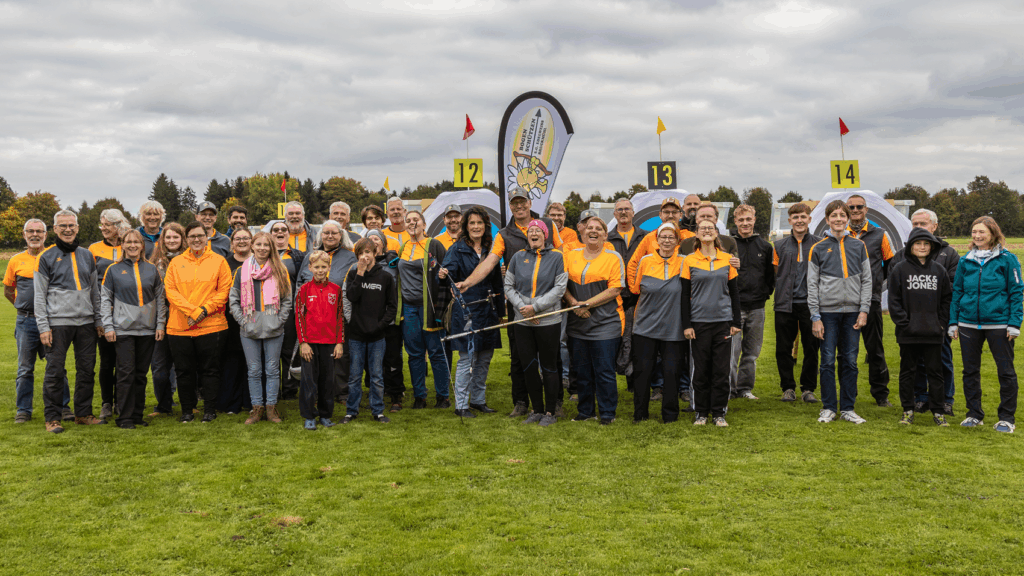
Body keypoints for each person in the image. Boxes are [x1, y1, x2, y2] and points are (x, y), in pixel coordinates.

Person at [456, 187, 562, 417]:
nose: (519, 206)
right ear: (510, 206)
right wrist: (468, 282)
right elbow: (491, 262)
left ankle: (556, 404)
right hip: (519, 308)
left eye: (522, 201)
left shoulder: (548, 225)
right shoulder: (503, 234)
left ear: (530, 202)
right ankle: (522, 401)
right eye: (514, 203)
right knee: (520, 357)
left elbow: (563, 259)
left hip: (548, 309)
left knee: (551, 359)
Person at [949, 216, 1022, 433]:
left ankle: (1006, 418)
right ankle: (973, 414)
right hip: (968, 324)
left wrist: (1014, 322)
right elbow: (958, 292)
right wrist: (954, 321)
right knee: (970, 371)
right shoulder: (965, 260)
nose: (977, 236)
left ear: (993, 234)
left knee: (1005, 371)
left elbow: (1016, 292)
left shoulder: (1008, 259)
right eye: (974, 232)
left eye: (982, 232)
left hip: (999, 324)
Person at [35, 210, 105, 433]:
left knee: (86, 370)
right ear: (54, 229)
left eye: (71, 225)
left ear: (77, 228)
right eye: (62, 226)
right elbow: (39, 296)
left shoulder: (87, 255)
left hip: (85, 323)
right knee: (55, 371)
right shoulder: (45, 257)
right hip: (57, 323)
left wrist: (99, 320)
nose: (67, 229)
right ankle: (53, 418)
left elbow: (95, 292)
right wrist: (43, 327)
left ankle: (83, 414)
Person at [808, 200, 872, 425]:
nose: (838, 219)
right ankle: (828, 407)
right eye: (834, 215)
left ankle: (847, 408)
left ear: (847, 219)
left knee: (850, 361)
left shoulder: (858, 245)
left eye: (842, 215)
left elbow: (867, 280)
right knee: (826, 361)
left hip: (853, 313)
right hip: (827, 314)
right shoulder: (817, 248)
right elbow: (812, 285)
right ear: (827, 220)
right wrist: (815, 316)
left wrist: (864, 310)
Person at [891, 209, 959, 416]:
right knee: (914, 366)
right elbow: (895, 296)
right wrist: (904, 323)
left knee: (941, 363)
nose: (918, 228)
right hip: (910, 327)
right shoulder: (900, 260)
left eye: (923, 223)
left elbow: (951, 290)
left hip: (935, 326)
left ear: (934, 227)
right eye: (915, 224)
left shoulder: (948, 254)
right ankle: (919, 398)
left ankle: (945, 400)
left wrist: (941, 322)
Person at [5, 219, 72, 424]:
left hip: (53, 321)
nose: (35, 235)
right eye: (30, 231)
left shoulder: (54, 255)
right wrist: (24, 306)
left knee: (57, 365)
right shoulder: (16, 260)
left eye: (39, 231)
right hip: (26, 322)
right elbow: (8, 290)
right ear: (24, 234)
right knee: (25, 368)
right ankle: (24, 410)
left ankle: (64, 407)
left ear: (46, 234)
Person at [164, 221, 232, 423]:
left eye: (200, 236)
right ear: (186, 239)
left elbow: (224, 291)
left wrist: (204, 311)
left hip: (212, 326)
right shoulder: (175, 263)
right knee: (184, 371)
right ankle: (187, 410)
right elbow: (171, 291)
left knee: (210, 370)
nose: (196, 239)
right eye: (192, 236)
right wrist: (193, 311)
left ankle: (209, 410)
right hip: (180, 327)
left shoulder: (219, 261)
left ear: (207, 237)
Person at [439, 206, 504, 418]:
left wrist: (501, 312)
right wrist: (443, 275)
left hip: (489, 310)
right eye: (472, 223)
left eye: (480, 223)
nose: (476, 227)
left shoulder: (492, 249)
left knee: (485, 358)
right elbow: (447, 278)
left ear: (486, 225)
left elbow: (497, 284)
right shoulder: (456, 249)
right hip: (466, 310)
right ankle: (461, 405)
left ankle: (478, 400)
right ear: (466, 226)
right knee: (467, 359)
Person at [100, 230, 167, 429]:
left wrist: (160, 324)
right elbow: (105, 299)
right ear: (123, 245)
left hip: (147, 330)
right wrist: (108, 326)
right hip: (123, 330)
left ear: (142, 245)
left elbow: (160, 299)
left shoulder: (151, 269)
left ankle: (137, 414)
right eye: (128, 242)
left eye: (136, 242)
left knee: (140, 374)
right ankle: (124, 417)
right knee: (125, 373)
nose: (132, 245)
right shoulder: (113, 269)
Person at [504, 219, 567, 426]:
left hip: (548, 320)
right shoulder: (517, 257)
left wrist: (535, 307)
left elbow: (559, 288)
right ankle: (536, 410)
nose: (534, 233)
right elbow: (508, 286)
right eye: (530, 231)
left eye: (537, 231)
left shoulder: (557, 257)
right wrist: (523, 308)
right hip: (523, 321)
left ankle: (550, 412)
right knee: (529, 367)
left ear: (545, 235)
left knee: (549, 367)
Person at [563, 216, 624, 425]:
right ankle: (585, 411)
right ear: (582, 231)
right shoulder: (570, 255)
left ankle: (607, 413)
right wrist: (574, 304)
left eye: (599, 229)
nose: (593, 231)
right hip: (577, 323)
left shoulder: (613, 257)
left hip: (606, 323)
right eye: (590, 227)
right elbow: (562, 285)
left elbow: (615, 288)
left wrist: (587, 304)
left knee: (604, 371)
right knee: (582, 370)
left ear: (605, 235)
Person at [681, 220, 741, 427]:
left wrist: (735, 321)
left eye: (711, 228)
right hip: (698, 323)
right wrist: (687, 324)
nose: (707, 230)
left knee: (721, 369)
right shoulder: (689, 260)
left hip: (723, 322)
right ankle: (701, 413)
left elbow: (734, 293)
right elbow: (684, 295)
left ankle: (719, 413)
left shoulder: (728, 260)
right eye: (702, 228)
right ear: (696, 234)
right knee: (700, 369)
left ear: (717, 234)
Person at [230, 231, 293, 425]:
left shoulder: (280, 270)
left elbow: (287, 299)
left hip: (273, 327)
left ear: (271, 247)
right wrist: (243, 320)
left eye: (266, 245)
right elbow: (233, 299)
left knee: (273, 369)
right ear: (252, 246)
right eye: (259, 245)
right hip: (249, 328)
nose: (262, 248)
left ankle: (271, 408)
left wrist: (279, 320)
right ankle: (256, 408)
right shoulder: (241, 271)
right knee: (254, 370)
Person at [294, 220, 357, 402]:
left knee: (340, 355)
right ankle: (315, 393)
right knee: (313, 357)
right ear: (320, 235)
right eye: (326, 233)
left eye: (334, 233)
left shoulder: (349, 256)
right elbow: (300, 282)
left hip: (338, 312)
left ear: (341, 235)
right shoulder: (311, 256)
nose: (330, 236)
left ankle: (341, 392)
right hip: (312, 315)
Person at [629, 222, 685, 423]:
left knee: (672, 373)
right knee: (643, 372)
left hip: (674, 328)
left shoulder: (685, 262)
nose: (667, 240)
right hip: (645, 326)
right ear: (657, 240)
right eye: (663, 236)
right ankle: (640, 414)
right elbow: (636, 289)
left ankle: (670, 416)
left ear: (678, 241)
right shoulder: (645, 261)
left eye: (671, 237)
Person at [397, 210, 452, 408]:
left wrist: (444, 276)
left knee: (436, 351)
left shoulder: (434, 245)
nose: (412, 223)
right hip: (409, 309)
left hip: (429, 307)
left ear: (423, 224)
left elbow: (447, 269)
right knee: (414, 353)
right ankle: (419, 395)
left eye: (416, 220)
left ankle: (442, 395)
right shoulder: (403, 247)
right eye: (408, 220)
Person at [845, 194, 895, 407]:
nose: (855, 210)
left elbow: (890, 265)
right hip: (844, 300)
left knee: (874, 349)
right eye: (851, 207)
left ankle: (881, 394)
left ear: (866, 210)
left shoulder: (880, 234)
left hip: (871, 300)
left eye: (859, 207)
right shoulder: (838, 234)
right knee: (847, 350)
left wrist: (876, 284)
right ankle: (849, 394)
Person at [341, 238, 397, 424]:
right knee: (355, 376)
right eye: (361, 253)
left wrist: (380, 326)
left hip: (377, 336)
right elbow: (351, 296)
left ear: (374, 254)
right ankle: (351, 411)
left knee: (376, 376)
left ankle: (378, 411)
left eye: (368, 252)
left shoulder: (386, 277)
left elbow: (392, 307)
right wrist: (360, 274)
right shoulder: (354, 274)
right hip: (356, 334)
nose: (365, 256)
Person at [772, 203, 821, 403]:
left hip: (811, 305)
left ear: (809, 219)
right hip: (785, 304)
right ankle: (788, 388)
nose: (799, 220)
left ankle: (808, 388)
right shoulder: (778, 246)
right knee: (783, 348)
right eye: (795, 217)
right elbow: (774, 275)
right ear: (789, 220)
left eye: (803, 216)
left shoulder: (820, 244)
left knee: (812, 347)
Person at [90, 208, 132, 420]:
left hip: (127, 312)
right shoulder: (94, 248)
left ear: (118, 225)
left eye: (107, 224)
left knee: (125, 360)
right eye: (102, 224)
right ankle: (107, 402)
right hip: (104, 312)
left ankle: (122, 401)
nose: (103, 228)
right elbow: (90, 282)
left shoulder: (129, 245)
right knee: (106, 360)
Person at [295, 250, 345, 430]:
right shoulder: (304, 290)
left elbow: (340, 317)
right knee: (309, 380)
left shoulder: (336, 290)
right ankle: (309, 415)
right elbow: (299, 317)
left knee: (327, 381)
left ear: (329, 268)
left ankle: (325, 414)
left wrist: (339, 342)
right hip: (310, 343)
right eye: (316, 267)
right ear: (310, 268)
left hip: (330, 343)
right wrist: (303, 342)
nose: (320, 270)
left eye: (324, 267)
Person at [729, 204, 774, 401]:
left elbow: (770, 277)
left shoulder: (765, 247)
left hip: (756, 307)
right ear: (735, 221)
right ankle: (729, 389)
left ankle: (745, 388)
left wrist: (763, 295)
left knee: (751, 352)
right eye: (741, 220)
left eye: (748, 219)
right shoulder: (728, 246)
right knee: (731, 351)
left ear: (754, 220)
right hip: (733, 308)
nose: (745, 223)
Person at [364, 229, 406, 411]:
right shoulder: (362, 264)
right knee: (371, 360)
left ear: (383, 243)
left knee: (392, 358)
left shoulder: (393, 263)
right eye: (370, 239)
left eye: (377, 239)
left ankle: (396, 394)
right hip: (369, 321)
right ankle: (375, 393)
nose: (373, 242)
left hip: (390, 320)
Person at [147, 223, 185, 416]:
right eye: (168, 237)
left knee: (186, 366)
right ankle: (163, 405)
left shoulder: (189, 260)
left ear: (182, 239)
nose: (171, 241)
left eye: (175, 237)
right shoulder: (153, 264)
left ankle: (189, 403)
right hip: (160, 319)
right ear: (162, 240)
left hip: (184, 318)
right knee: (160, 367)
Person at [218, 227, 255, 415]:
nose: (242, 241)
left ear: (252, 241)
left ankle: (250, 402)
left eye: (246, 238)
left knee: (251, 361)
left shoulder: (258, 263)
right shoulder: (224, 263)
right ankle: (231, 402)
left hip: (254, 318)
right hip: (230, 319)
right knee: (232, 361)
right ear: (231, 243)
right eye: (237, 238)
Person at [271, 220, 305, 399]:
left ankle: (290, 388)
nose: (279, 232)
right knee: (271, 350)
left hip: (291, 308)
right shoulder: (263, 255)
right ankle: (273, 389)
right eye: (275, 230)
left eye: (283, 229)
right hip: (268, 309)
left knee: (289, 349)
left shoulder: (297, 256)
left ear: (288, 233)